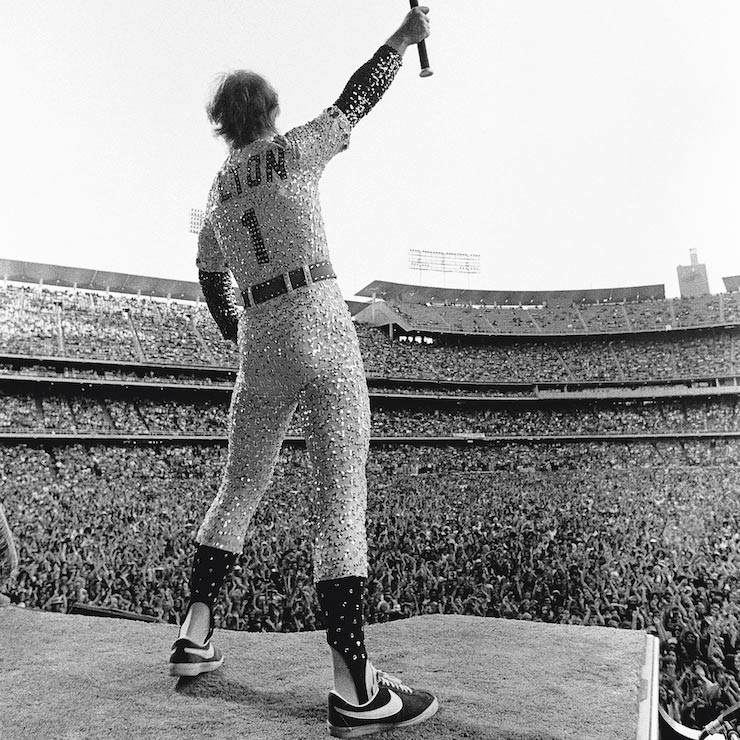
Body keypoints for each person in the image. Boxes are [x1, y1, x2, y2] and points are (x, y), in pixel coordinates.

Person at [168, 7, 438, 737]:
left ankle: (195, 634)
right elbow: (358, 98)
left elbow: (207, 275)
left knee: (238, 489)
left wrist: (240, 337)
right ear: (271, 111)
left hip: (260, 338)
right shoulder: (295, 150)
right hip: (319, 318)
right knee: (338, 499)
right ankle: (356, 687)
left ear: (222, 125)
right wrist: (402, 38)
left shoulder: (219, 195)